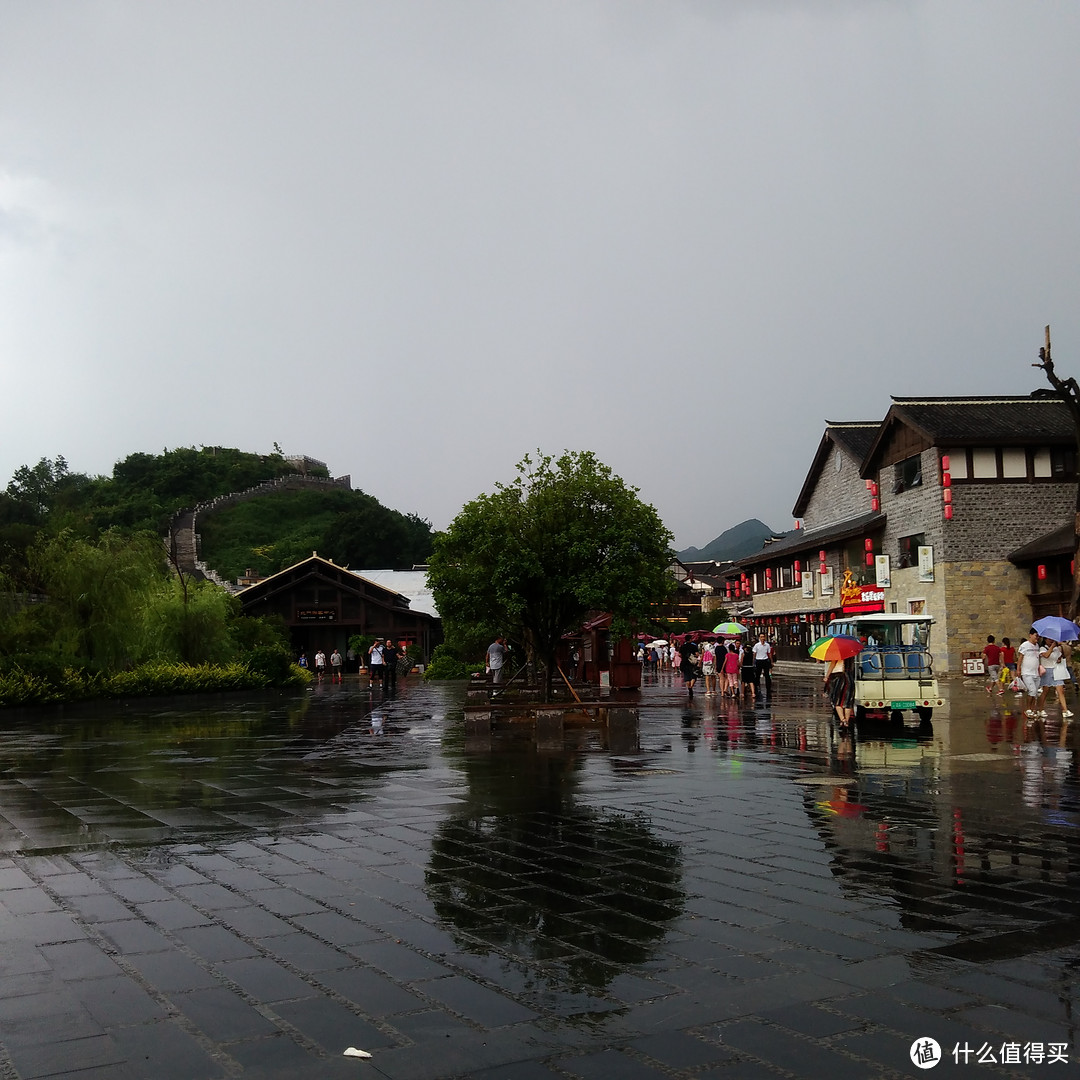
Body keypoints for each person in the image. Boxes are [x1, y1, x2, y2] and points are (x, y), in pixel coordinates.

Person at [1037, 638, 1073, 718]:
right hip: (1047, 670)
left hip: (1056, 670)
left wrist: (1059, 659)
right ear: (1045, 640)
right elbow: (1046, 655)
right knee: (1045, 691)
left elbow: (1059, 656)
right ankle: (1040, 709)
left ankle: (1065, 710)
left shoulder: (1056, 648)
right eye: (1049, 639)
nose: (1051, 641)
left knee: (1061, 690)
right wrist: (1051, 647)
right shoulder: (1042, 648)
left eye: (1052, 639)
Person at [824, 653, 856, 728]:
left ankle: (842, 720)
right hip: (850, 678)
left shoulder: (838, 654)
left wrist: (826, 676)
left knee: (837, 700)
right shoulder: (851, 655)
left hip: (840, 678)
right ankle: (846, 722)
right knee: (848, 700)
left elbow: (832, 665)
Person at [1018, 628, 1043, 718]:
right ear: (1030, 635)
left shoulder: (1037, 646)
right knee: (1032, 691)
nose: (1037, 638)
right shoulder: (1025, 645)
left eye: (1038, 636)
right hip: (1027, 672)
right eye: (1036, 635)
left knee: (1035, 693)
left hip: (1036, 672)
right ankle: (1028, 709)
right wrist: (1018, 670)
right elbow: (1020, 658)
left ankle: (1032, 709)